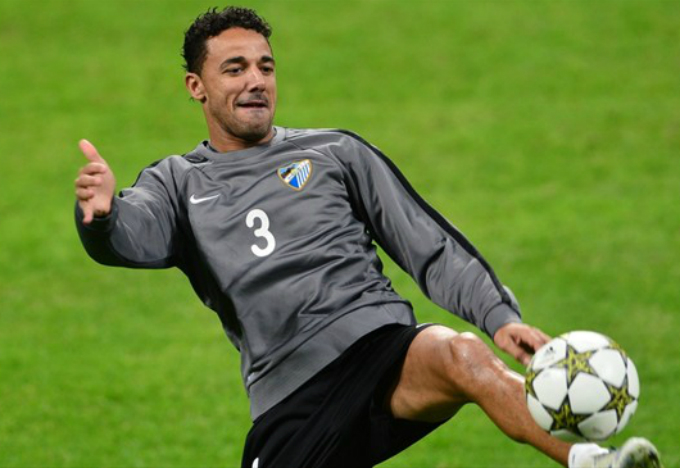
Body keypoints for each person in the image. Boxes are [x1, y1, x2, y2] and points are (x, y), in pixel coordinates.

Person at [74, 7, 663, 468]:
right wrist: (101, 217)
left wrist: (498, 316)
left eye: (266, 67)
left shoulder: (334, 151)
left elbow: (428, 242)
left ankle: (593, 460)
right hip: (291, 397)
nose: (256, 81)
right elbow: (131, 236)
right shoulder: (179, 183)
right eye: (235, 69)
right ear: (196, 86)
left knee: (461, 354)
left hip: (381, 352)